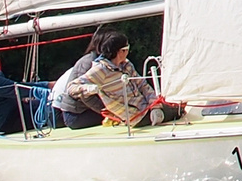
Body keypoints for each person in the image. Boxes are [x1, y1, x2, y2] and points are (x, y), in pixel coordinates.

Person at [49, 29, 179, 128]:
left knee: (177, 109)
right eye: (127, 48)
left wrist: (154, 104)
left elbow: (142, 84)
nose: (128, 51)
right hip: (132, 116)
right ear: (120, 51)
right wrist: (89, 89)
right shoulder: (100, 70)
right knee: (176, 113)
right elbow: (72, 87)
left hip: (144, 107)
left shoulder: (126, 65)